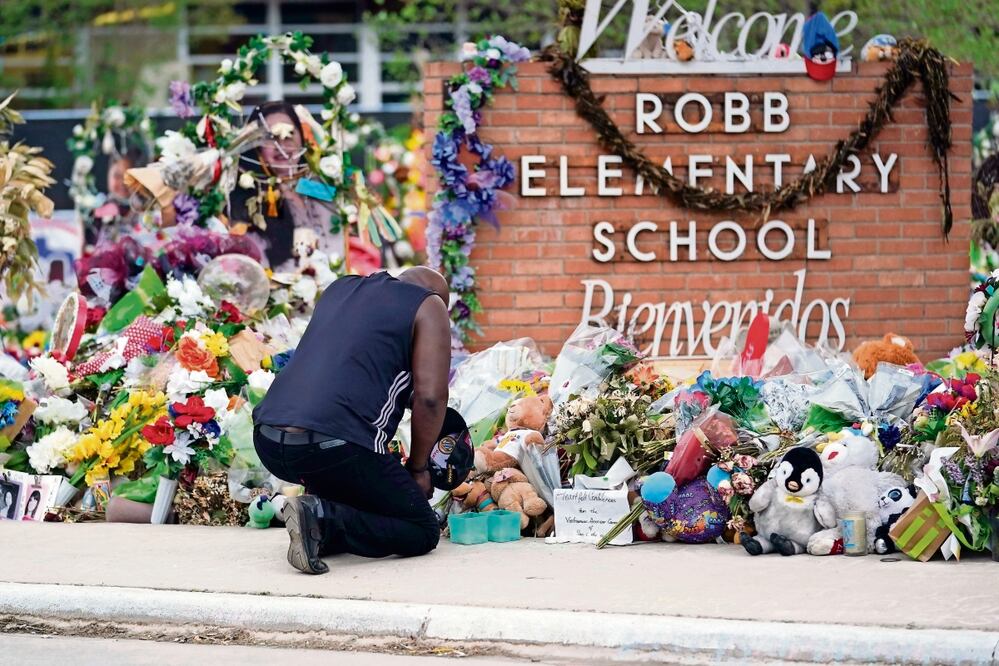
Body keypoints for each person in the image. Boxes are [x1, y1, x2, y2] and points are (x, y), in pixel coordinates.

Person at [253, 266, 451, 574]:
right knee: (421, 529)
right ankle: (321, 517)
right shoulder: (429, 304)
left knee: (356, 486)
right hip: (334, 445)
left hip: (269, 437)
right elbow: (431, 397)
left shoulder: (341, 288)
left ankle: (316, 523)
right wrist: (419, 467)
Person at [229, 101, 344, 272]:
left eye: (290, 134)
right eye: (271, 137)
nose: (282, 146)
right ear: (256, 146)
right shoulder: (248, 195)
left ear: (302, 137)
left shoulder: (315, 185)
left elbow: (345, 203)